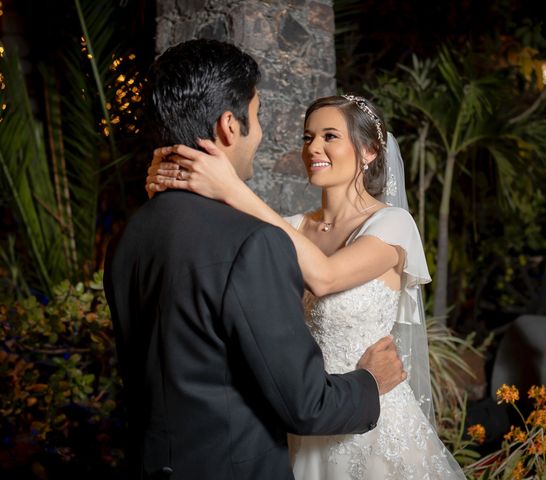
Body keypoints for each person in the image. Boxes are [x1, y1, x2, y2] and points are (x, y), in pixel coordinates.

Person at [104, 39, 408, 480]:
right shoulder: (256, 244)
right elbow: (307, 406)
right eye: (259, 116)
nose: (263, 134)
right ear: (230, 125)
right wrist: (371, 382)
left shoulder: (132, 235)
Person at [147, 94, 466, 478]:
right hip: (304, 414)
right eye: (307, 136)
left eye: (330, 136)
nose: (313, 147)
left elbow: (326, 276)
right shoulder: (291, 226)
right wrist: (170, 183)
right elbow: (218, 240)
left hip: (372, 419)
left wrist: (233, 188)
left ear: (368, 151)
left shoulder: (393, 224)